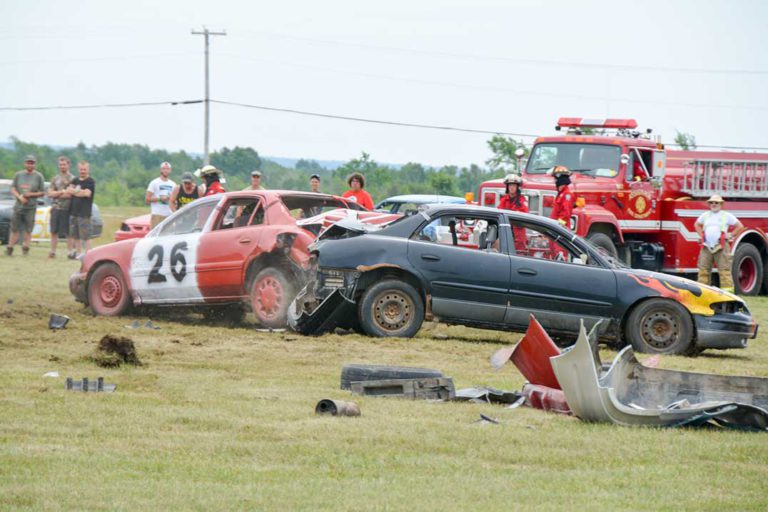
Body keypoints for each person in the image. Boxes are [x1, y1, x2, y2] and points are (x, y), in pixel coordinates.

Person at [694, 195, 745, 293]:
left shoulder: (726, 215)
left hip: (721, 246)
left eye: (716, 203)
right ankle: (703, 294)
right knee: (703, 271)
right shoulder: (705, 215)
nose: (714, 204)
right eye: (712, 202)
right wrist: (702, 236)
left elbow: (740, 226)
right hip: (706, 246)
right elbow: (696, 224)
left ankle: (728, 295)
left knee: (724, 271)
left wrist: (730, 235)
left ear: (721, 204)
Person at [6, 155, 45, 256]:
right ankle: (10, 248)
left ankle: (25, 249)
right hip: (18, 207)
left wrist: (31, 194)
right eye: (28, 163)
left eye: (32, 163)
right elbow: (13, 188)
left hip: (31, 207)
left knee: (28, 229)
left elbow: (42, 192)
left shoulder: (39, 176)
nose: (30, 165)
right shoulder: (18, 175)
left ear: (35, 164)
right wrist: (19, 197)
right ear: (25, 164)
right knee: (14, 228)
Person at [47, 155, 75, 258]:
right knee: (53, 231)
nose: (62, 166)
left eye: (64, 164)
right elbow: (49, 193)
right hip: (55, 208)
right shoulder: (55, 178)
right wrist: (62, 191)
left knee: (69, 232)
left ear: (68, 165)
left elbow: (70, 194)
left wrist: (57, 194)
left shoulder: (73, 179)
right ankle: (52, 251)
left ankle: (70, 252)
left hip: (67, 208)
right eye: (60, 164)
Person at [67, 161, 96, 257]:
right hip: (73, 212)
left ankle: (89, 254)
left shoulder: (90, 181)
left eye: (84, 169)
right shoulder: (75, 180)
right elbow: (68, 190)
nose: (82, 171)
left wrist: (75, 191)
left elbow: (87, 194)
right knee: (75, 235)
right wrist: (79, 192)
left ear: (88, 169)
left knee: (86, 236)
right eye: (81, 169)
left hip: (84, 213)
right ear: (78, 169)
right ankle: (79, 253)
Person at [146, 161, 176, 229]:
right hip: (157, 214)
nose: (166, 170)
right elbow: (147, 199)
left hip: (169, 215)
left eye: (167, 169)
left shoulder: (173, 184)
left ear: (170, 170)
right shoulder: (154, 183)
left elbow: (175, 199)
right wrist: (160, 199)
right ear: (161, 170)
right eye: (164, 168)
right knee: (155, 234)